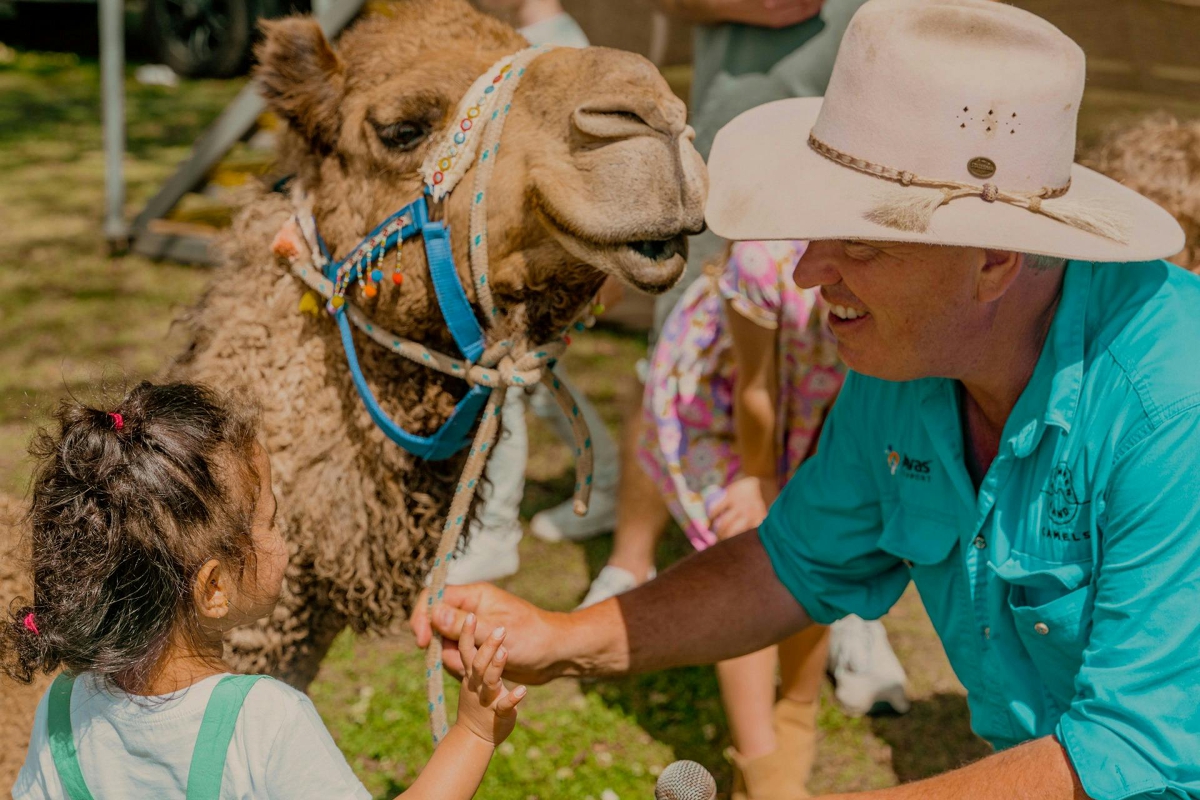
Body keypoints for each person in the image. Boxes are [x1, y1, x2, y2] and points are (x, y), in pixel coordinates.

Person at [413, 1, 1200, 797]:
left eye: (859, 241)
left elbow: (1134, 755)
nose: (806, 272)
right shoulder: (917, 358)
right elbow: (791, 564)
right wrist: (562, 638)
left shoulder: (1173, 406)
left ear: (994, 259)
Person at [577, 0, 909, 724]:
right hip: (747, 154)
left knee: (863, 395)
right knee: (685, 367)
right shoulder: (758, 260)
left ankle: (846, 594)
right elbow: (750, 385)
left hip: (872, 173)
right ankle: (632, 565)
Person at [4, 382, 526, 800]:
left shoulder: (64, 708)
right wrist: (473, 735)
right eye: (270, 522)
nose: (283, 536)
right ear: (214, 588)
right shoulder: (261, 720)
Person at [638, 238, 885, 798]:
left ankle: (795, 716)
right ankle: (762, 767)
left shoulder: (896, 260)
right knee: (749, 555)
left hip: (817, 404)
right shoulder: (761, 260)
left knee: (820, 547)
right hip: (728, 404)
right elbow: (756, 385)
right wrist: (762, 481)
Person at [445, 0, 620, 584]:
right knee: (535, 381)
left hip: (547, 256)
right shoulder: (532, 41)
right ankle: (608, 484)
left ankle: (495, 531)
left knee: (513, 383)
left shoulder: (551, 51)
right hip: (525, 251)